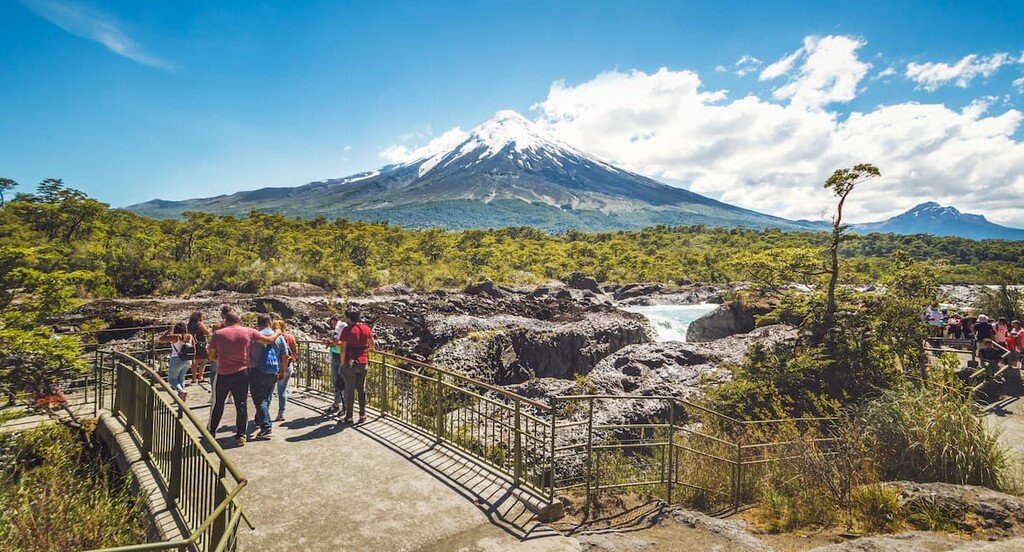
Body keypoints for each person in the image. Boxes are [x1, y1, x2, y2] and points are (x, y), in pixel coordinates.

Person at [207, 309, 283, 446]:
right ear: (239, 320)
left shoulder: (218, 334)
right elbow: (269, 340)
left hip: (223, 372)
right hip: (242, 373)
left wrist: (223, 359)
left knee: (219, 403)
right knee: (241, 404)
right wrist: (277, 331)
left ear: (226, 321)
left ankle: (212, 431)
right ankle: (240, 436)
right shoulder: (248, 331)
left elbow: (211, 356)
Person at [248, 314, 289, 440]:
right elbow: (285, 356)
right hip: (273, 371)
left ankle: (266, 428)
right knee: (267, 397)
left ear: (258, 323)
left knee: (259, 400)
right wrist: (282, 371)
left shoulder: (254, 336)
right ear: (270, 323)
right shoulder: (279, 337)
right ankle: (259, 419)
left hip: (256, 371)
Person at [338, 309, 374, 425]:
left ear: (348, 318)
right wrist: (365, 352)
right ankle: (362, 414)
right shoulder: (366, 328)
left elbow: (343, 348)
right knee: (361, 389)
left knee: (349, 390)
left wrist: (342, 363)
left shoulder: (347, 330)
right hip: (363, 362)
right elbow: (372, 345)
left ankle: (349, 417)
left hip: (350, 363)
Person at [159, 322, 193, 402]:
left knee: (172, 380)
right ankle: (179, 398)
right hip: (188, 360)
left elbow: (161, 339)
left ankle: (181, 391)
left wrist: (169, 330)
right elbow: (193, 347)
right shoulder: (190, 336)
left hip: (176, 359)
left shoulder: (175, 337)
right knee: (181, 378)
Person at [272, 320, 298, 422]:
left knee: (269, 390)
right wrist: (291, 361)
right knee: (282, 389)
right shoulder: (290, 337)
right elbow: (295, 353)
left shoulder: (274, 338)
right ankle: (281, 413)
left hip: (275, 366)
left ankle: (262, 415)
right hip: (287, 366)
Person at [323, 315, 347, 416]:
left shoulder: (343, 329)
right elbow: (336, 344)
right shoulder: (335, 332)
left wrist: (333, 343)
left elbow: (342, 344)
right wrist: (329, 343)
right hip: (335, 355)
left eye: (334, 323)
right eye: (332, 324)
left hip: (341, 356)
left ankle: (344, 406)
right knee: (335, 381)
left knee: (343, 382)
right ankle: (336, 403)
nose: (333, 325)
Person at [187, 311, 213, 384]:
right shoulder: (200, 324)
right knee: (203, 360)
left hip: (192, 343)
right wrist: (210, 328)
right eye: (202, 316)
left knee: (194, 361)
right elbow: (207, 332)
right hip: (201, 343)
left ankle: (193, 378)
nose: (203, 318)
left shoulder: (189, 324)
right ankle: (200, 376)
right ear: (198, 317)